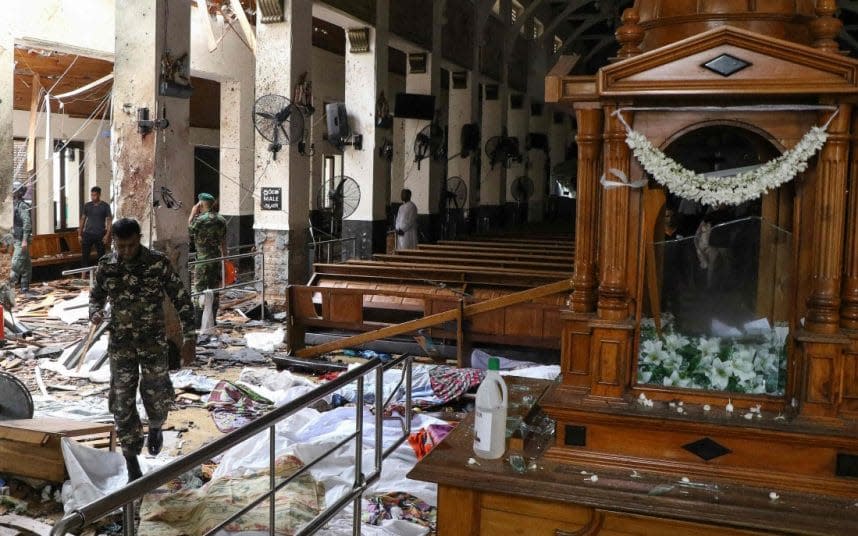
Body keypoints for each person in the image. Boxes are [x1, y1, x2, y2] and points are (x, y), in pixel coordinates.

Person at [89, 218, 196, 481]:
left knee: (156, 392)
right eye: (120, 246)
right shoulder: (106, 266)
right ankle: (131, 460)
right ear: (113, 241)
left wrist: (190, 338)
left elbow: (181, 297)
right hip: (121, 344)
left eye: (131, 245)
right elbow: (96, 296)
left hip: (152, 343)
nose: (126, 251)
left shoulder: (157, 263)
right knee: (122, 401)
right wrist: (94, 312)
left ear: (139, 238)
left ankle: (157, 426)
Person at [188, 193, 228, 324]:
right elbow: (223, 242)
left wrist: (193, 213)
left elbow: (189, 229)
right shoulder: (221, 219)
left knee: (199, 290)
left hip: (203, 261)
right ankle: (212, 320)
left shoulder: (200, 220)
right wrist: (225, 258)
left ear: (201, 204)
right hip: (216, 260)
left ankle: (198, 321)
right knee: (214, 290)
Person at [79, 186, 113, 267]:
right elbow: (83, 219)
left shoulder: (105, 206)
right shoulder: (87, 205)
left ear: (99, 195)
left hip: (100, 234)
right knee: (85, 256)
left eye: (95, 195)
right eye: (92, 195)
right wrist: (79, 234)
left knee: (101, 256)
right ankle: (83, 276)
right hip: (87, 234)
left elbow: (109, 221)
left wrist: (107, 235)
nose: (93, 197)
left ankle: (101, 274)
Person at [9, 181, 32, 296]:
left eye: (14, 190)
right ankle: (25, 289)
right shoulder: (15, 204)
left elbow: (27, 224)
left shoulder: (22, 205)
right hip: (17, 239)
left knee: (16, 265)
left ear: (19, 192)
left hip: (21, 240)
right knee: (26, 266)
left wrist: (24, 241)